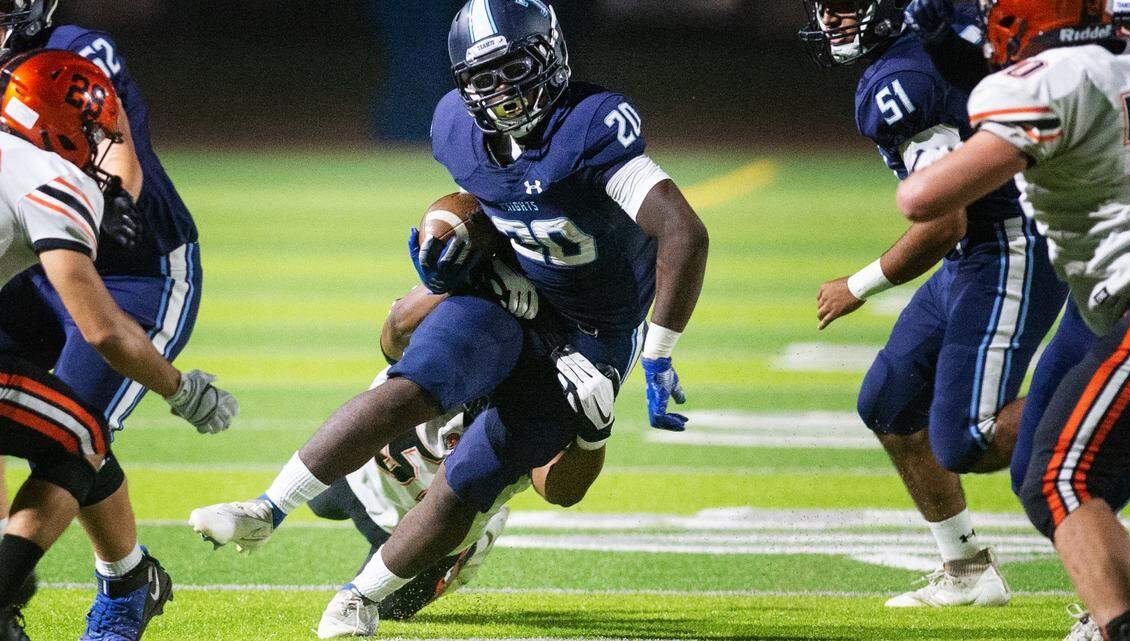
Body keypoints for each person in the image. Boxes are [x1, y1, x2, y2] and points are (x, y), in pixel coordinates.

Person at [189, 0, 707, 634]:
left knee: (474, 476)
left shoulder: (589, 127)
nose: (501, 92)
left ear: (549, 55)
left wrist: (655, 352)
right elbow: (482, 210)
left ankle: (361, 596)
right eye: (482, 78)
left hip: (589, 333)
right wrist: (451, 267)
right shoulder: (456, 128)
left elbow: (683, 230)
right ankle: (267, 508)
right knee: (409, 389)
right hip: (509, 294)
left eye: (513, 68)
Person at [799, 0, 1068, 607]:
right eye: (824, 8)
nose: (832, 21)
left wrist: (858, 284)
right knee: (889, 402)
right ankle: (969, 569)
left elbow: (945, 220)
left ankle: (1106, 402)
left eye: (848, 6)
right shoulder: (916, 53)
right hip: (972, 255)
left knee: (967, 438)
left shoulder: (902, 82)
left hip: (1007, 248)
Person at [894, 0, 1130, 637]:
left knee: (1062, 477)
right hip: (1114, 309)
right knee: (1047, 471)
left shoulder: (1043, 83)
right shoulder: (1123, 63)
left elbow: (921, 198)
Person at [0, 49, 236, 641]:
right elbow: (103, 330)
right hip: (84, 285)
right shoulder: (51, 180)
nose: (100, 144)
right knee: (80, 433)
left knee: (57, 426)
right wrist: (182, 392)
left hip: (128, 276)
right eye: (91, 130)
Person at [310, 285, 605, 636]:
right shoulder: (477, 312)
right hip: (381, 469)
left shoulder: (558, 374)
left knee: (390, 607)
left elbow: (557, 489)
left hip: (442, 514)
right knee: (319, 499)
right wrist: (452, 283)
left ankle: (471, 542)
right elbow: (395, 335)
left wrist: (594, 436)